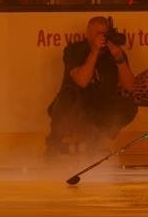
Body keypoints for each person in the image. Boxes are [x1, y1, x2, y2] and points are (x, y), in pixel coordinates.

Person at [46, 16, 138, 158]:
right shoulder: (74, 50)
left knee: (129, 105)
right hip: (76, 109)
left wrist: (119, 58)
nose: (102, 38)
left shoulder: (113, 53)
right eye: (98, 34)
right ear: (87, 34)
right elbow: (82, 81)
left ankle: (95, 142)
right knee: (67, 95)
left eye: (104, 34)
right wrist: (94, 51)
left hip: (99, 110)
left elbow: (130, 87)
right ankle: (54, 145)